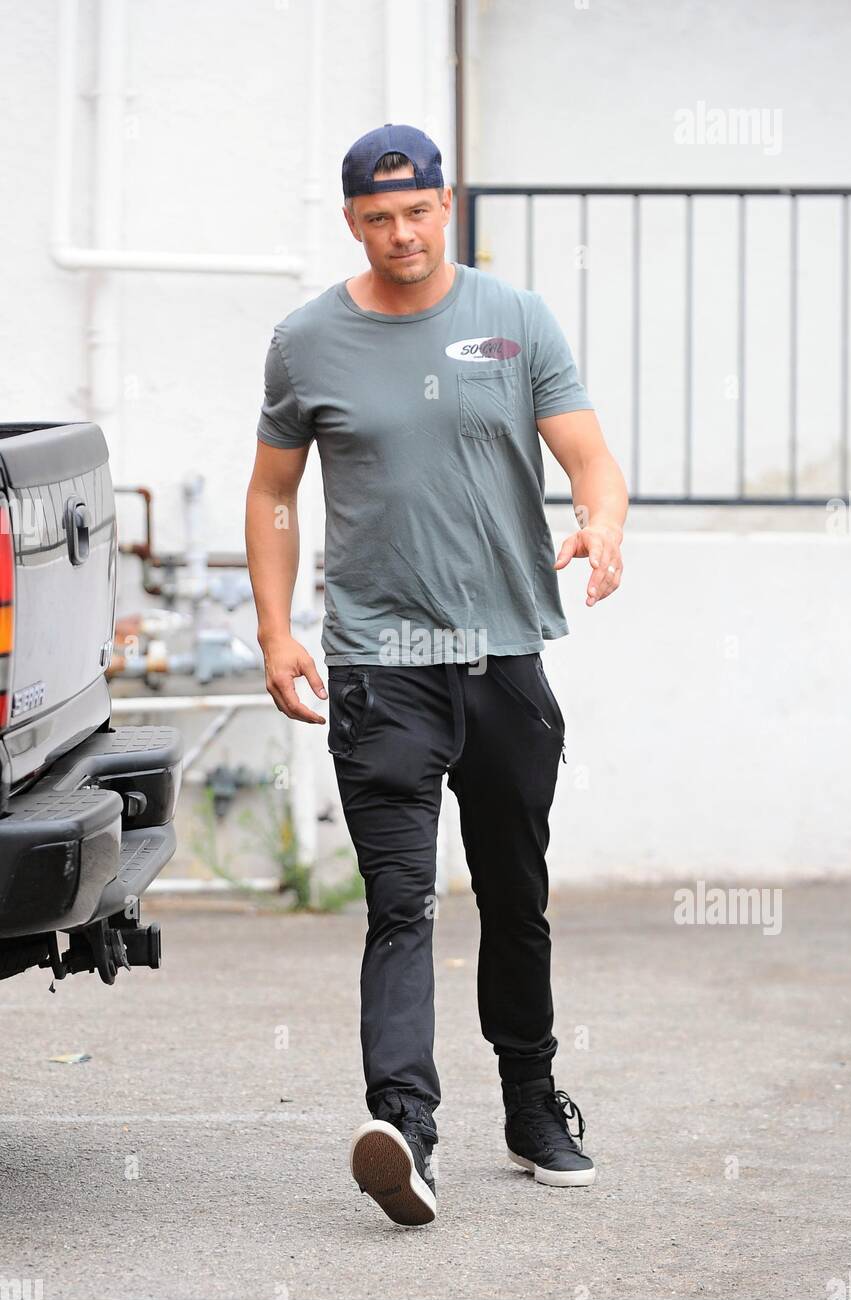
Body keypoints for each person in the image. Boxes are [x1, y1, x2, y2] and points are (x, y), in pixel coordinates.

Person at [245, 123, 628, 1227]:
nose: (398, 233)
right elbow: (271, 493)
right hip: (378, 669)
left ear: (445, 205)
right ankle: (403, 1129)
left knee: (515, 896)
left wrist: (601, 526)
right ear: (351, 220)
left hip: (504, 657)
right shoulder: (305, 339)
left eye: (415, 212)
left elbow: (589, 459)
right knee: (398, 903)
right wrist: (276, 629)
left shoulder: (514, 321)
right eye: (375, 218)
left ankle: (528, 1100)